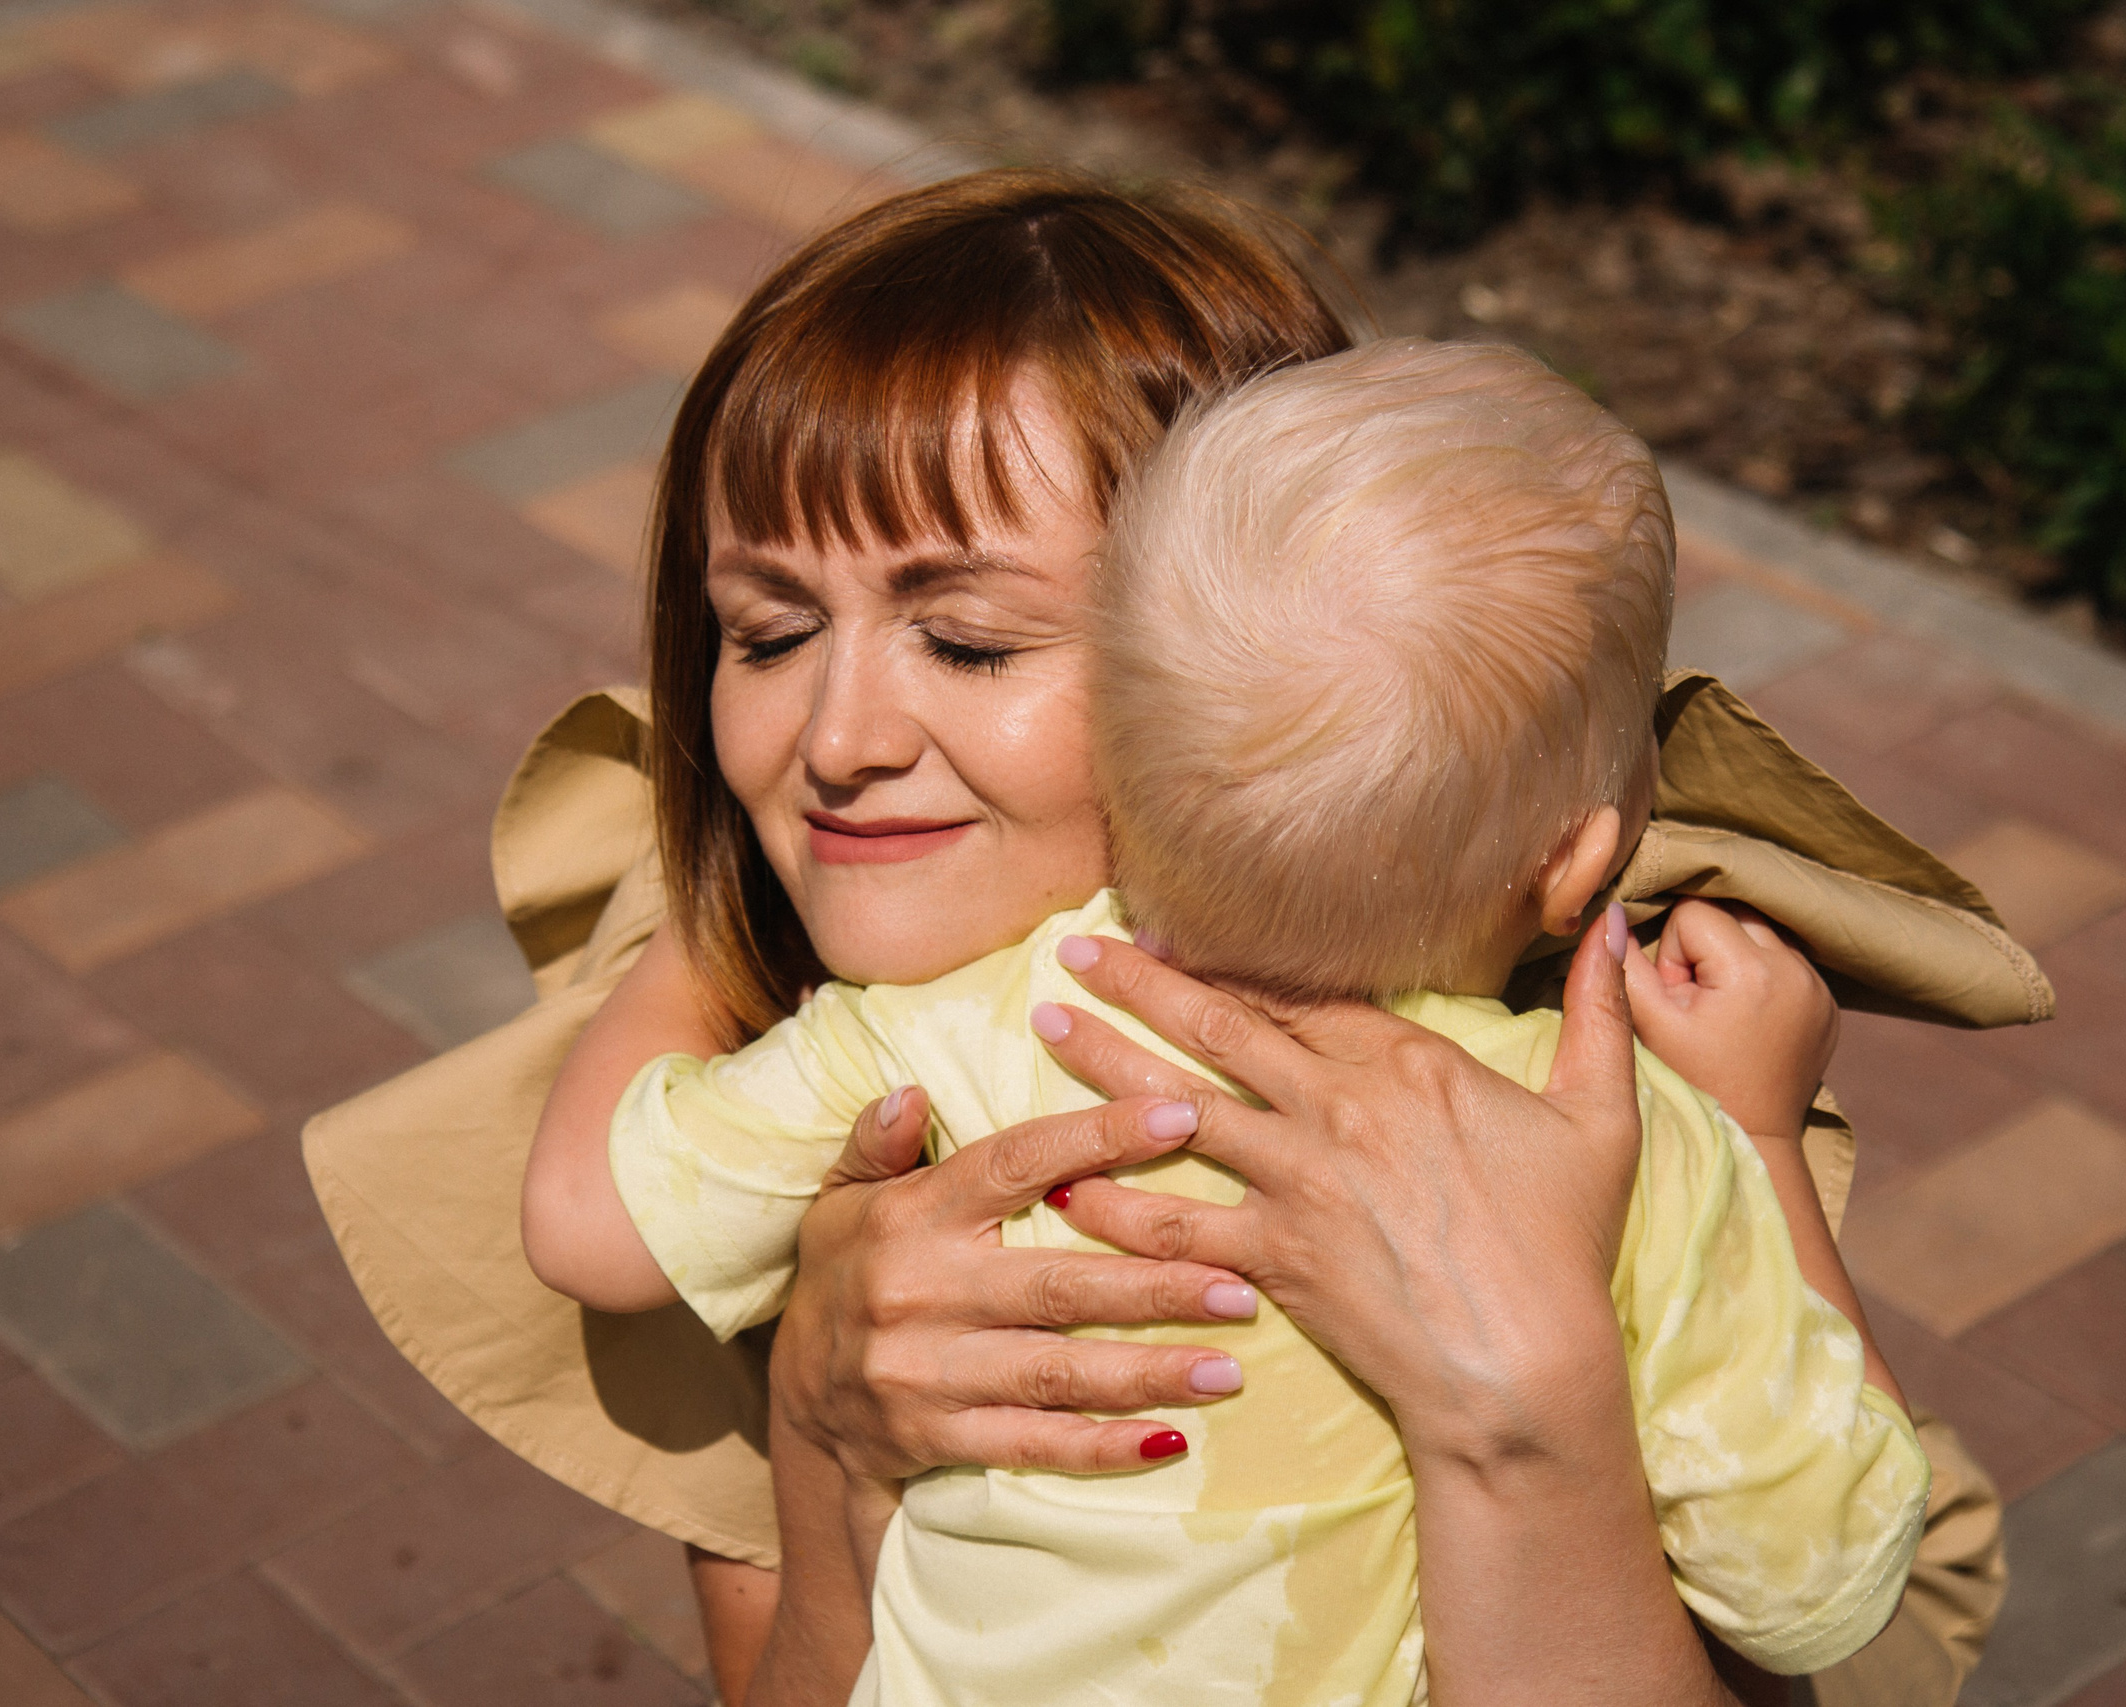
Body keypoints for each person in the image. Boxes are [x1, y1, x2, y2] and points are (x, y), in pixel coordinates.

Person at [308, 168, 2022, 1707]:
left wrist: (1575, 1356)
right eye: (763, 631)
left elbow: (1822, 1645)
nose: (834, 737)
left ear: (1233, 683)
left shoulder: (1580, 1124)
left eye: (970, 643)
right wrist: (824, 1416)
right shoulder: (825, 1150)